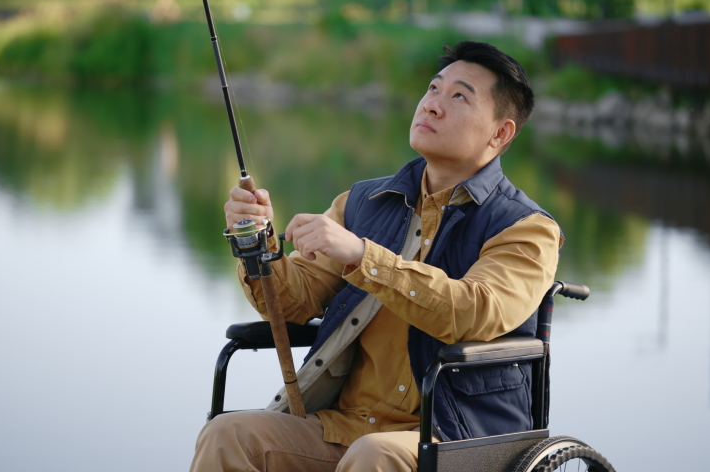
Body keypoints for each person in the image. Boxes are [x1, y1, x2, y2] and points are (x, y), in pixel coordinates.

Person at [191, 41, 564, 472]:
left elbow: (475, 312)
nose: (432, 105)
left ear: (500, 133)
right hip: (346, 426)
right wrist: (258, 242)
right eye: (433, 89)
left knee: (374, 454)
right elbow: (295, 303)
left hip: (458, 437)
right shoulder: (363, 201)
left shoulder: (527, 229)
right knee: (227, 435)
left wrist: (363, 256)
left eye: (459, 96)